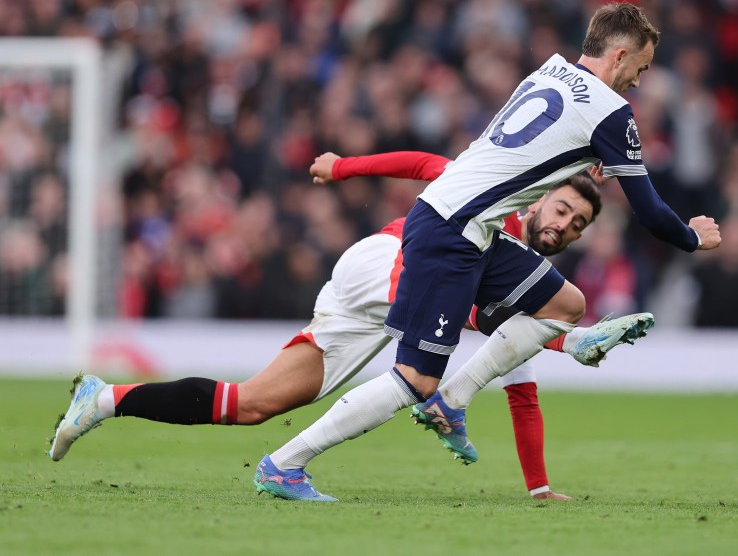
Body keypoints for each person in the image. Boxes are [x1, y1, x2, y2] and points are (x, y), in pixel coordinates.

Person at [253, 2, 721, 500]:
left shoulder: (549, 71)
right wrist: (693, 236)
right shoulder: (613, 114)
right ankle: (284, 463)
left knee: (565, 306)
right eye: (641, 69)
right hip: (451, 231)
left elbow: (534, 147)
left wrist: (594, 157)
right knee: (413, 380)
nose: (638, 82)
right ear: (620, 55)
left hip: (469, 227)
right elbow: (649, 211)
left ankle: (454, 401)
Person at [50, 150, 650, 501]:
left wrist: (539, 489)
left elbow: (519, 384)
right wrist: (343, 168)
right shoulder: (495, 200)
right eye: (563, 209)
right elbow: (422, 163)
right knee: (441, 361)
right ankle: (461, 394)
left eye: (578, 224)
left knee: (253, 403)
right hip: (385, 261)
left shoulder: (522, 280)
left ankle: (102, 400)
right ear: (540, 200)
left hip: (363, 310)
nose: (566, 225)